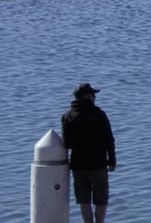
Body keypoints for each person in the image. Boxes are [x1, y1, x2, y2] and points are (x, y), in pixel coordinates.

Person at [61, 83, 116, 223]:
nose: (95, 97)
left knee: (83, 200)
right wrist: (112, 159)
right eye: (93, 94)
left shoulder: (67, 116)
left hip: (78, 165)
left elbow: (67, 144)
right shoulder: (99, 114)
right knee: (101, 200)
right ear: (87, 96)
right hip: (98, 164)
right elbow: (109, 138)